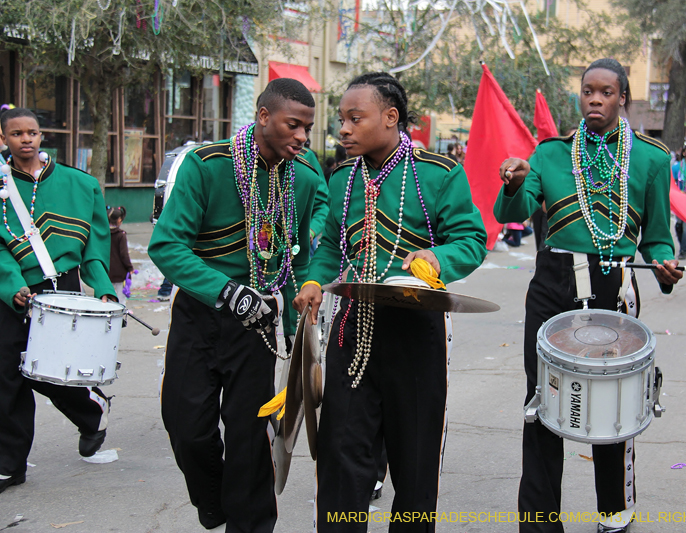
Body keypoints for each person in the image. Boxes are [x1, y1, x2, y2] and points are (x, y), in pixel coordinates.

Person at [292, 71, 487, 532]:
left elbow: (471, 239)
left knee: (415, 462)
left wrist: (438, 258)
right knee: (341, 457)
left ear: (390, 117)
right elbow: (332, 250)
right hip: (351, 334)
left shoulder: (439, 174)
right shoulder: (340, 178)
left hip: (416, 332)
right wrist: (315, 282)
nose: (343, 129)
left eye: (354, 119)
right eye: (341, 119)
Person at [495, 58, 683, 533]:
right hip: (553, 283)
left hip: (615, 285)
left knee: (615, 402)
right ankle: (539, 522)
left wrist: (664, 263)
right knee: (542, 400)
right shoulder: (549, 154)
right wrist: (514, 181)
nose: (594, 100)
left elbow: (658, 235)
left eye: (605, 92)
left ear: (623, 99)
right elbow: (513, 209)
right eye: (587, 91)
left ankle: (613, 511)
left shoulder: (652, 159)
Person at [148, 78, 320, 532]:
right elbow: (167, 247)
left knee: (251, 440)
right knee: (187, 428)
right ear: (263, 116)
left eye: (308, 128)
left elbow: (297, 257)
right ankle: (215, 503)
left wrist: (300, 300)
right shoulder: (206, 165)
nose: (302, 137)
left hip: (260, 324)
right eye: (293, 125)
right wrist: (227, 292)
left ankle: (251, 524)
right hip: (201, 313)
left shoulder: (301, 178)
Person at [0, 107, 115, 494]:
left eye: (31, 132)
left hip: (61, 288)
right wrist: (9, 283)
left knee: (53, 372)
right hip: (13, 293)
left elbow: (96, 245)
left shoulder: (80, 184)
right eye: (16, 134)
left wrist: (102, 287)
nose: (25, 139)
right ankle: (10, 464)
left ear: (41, 134)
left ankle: (90, 411)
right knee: (8, 376)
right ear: (4, 139)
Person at [107, 206, 134, 305]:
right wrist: (130, 268)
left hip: (107, 270)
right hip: (119, 272)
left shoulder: (104, 234)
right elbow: (124, 254)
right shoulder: (121, 235)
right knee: (120, 298)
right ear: (119, 220)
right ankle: (120, 318)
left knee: (108, 295)